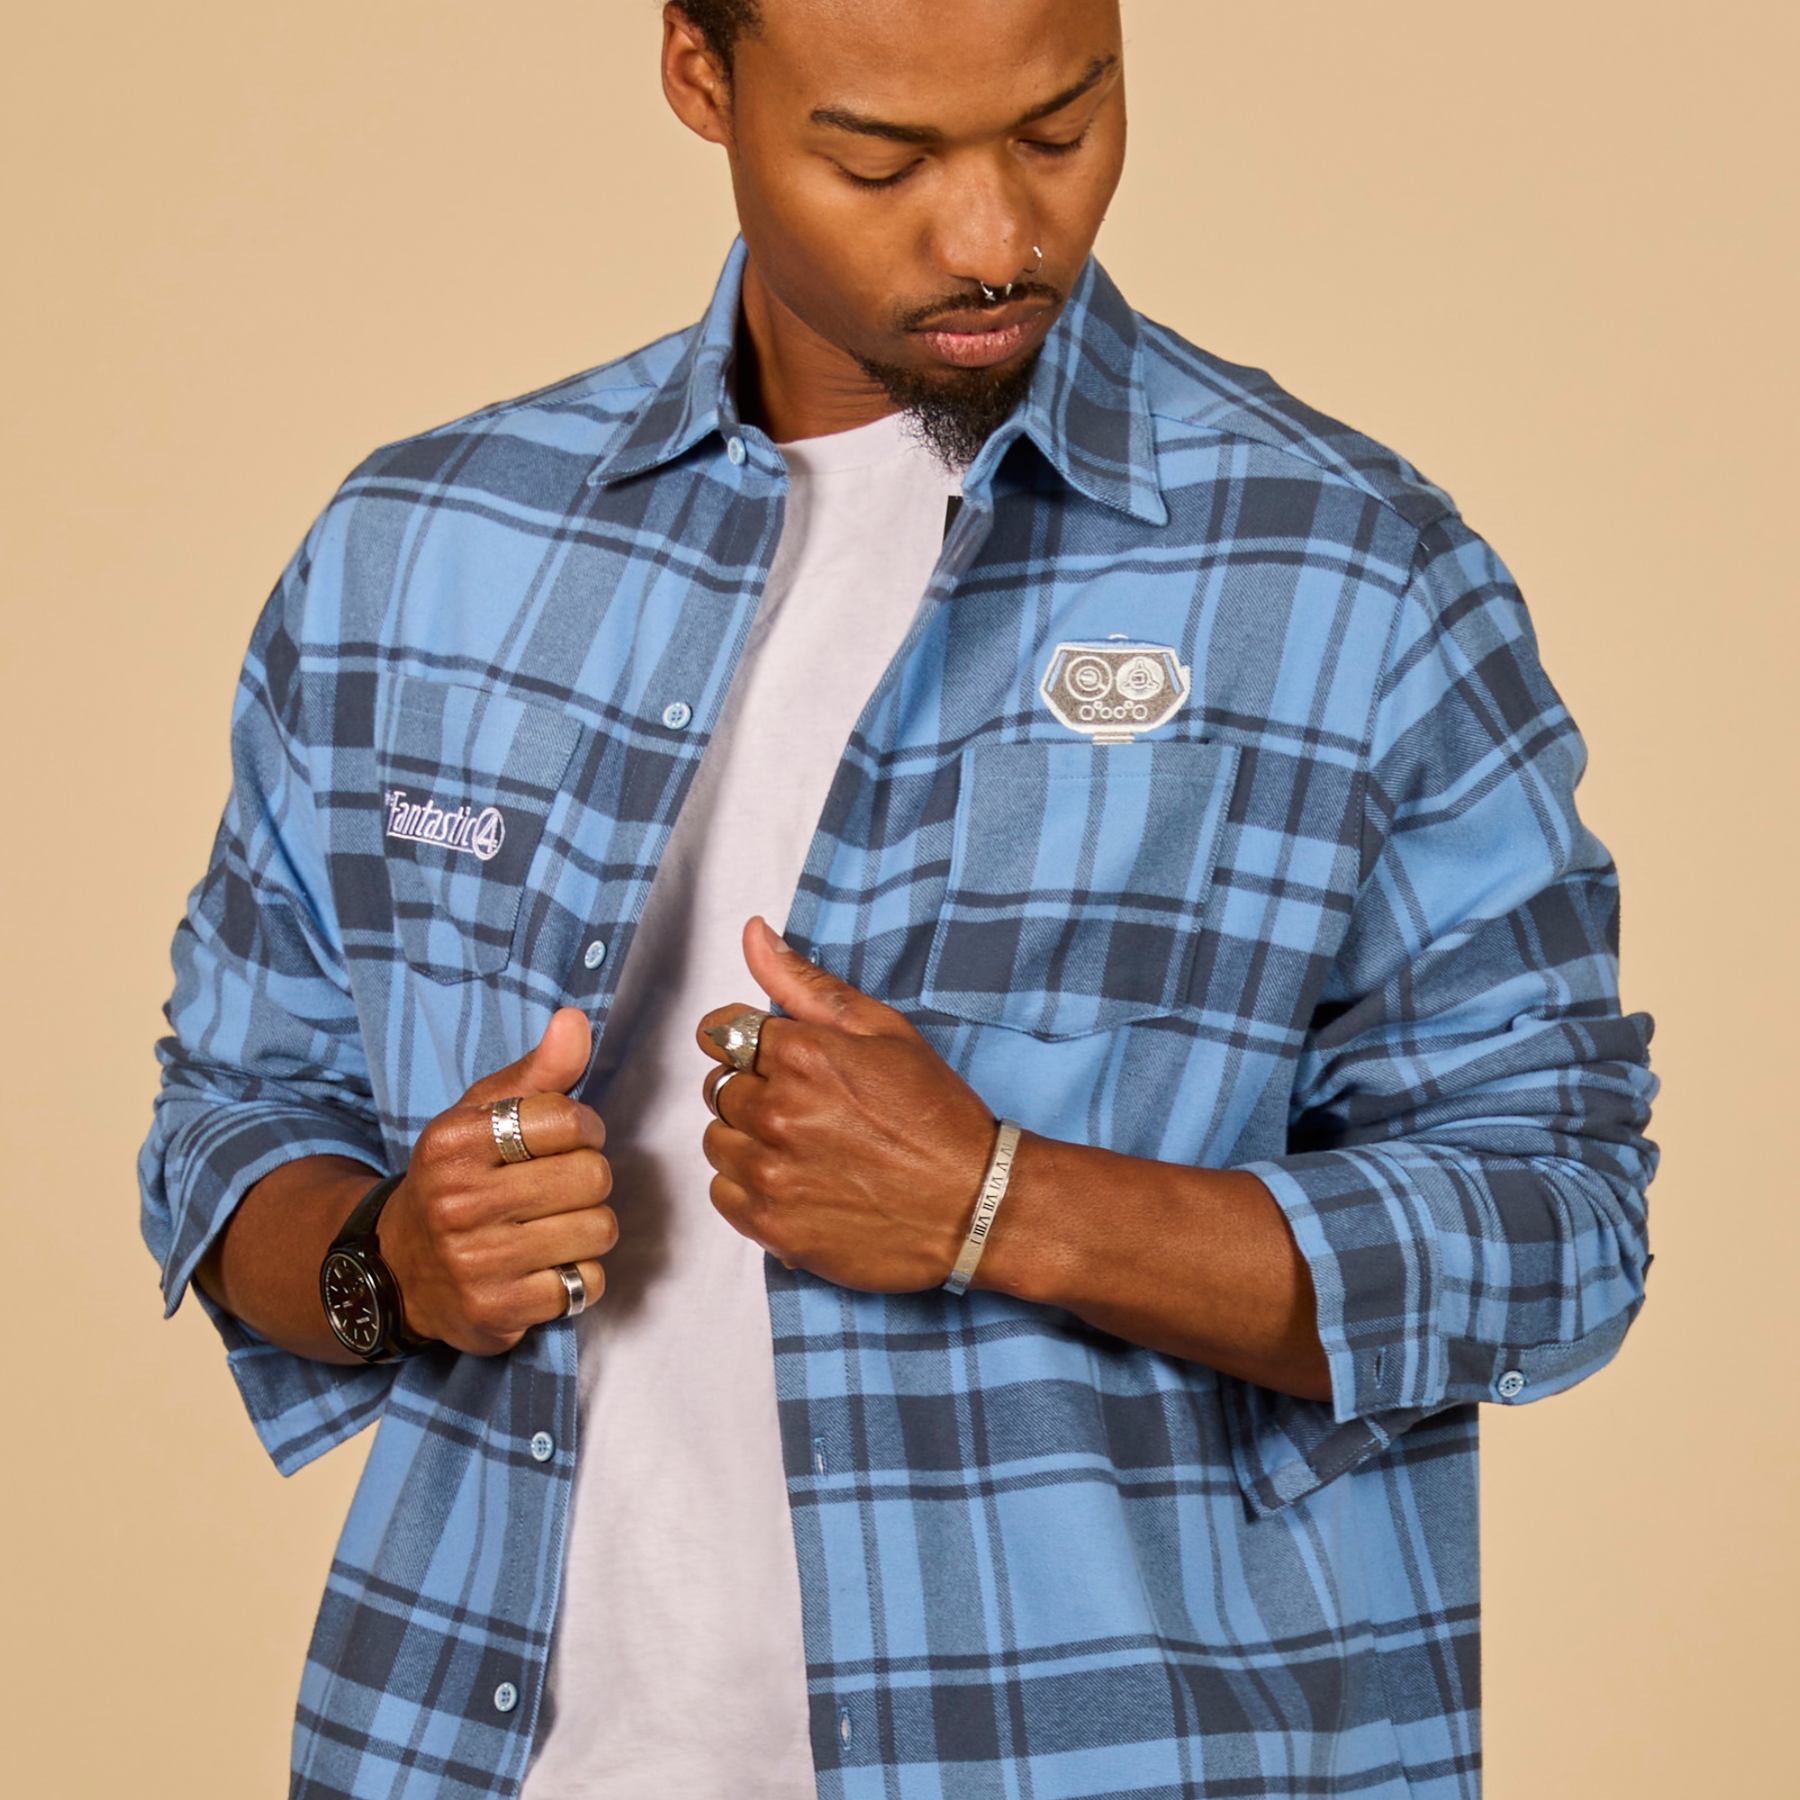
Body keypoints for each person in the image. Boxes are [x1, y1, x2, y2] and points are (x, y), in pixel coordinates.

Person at [138, 2, 1657, 1796]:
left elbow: (1563, 1223)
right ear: (701, 76)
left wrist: (1008, 1205)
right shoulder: (425, 552)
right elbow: (230, 1118)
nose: (996, 235)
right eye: (883, 160)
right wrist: (391, 1261)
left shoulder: (1349, 573)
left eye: (1060, 130)